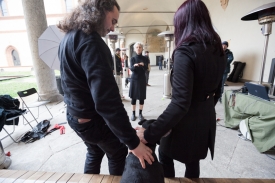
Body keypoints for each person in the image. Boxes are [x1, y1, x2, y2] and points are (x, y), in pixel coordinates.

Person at [57, 0, 154, 175]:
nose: (113, 28)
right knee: (117, 151)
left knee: (95, 150)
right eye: (113, 21)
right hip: (89, 119)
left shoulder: (70, 36)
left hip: (74, 115)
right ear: (100, 12)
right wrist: (133, 143)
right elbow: (107, 102)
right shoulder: (91, 42)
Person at [135, 0, 226, 178]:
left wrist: (150, 134)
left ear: (183, 23)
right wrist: (203, 107)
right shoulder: (217, 51)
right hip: (205, 119)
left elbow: (180, 103)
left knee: (164, 154)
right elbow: (217, 92)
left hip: (184, 122)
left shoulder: (186, 51)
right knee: (193, 162)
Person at [129, 42, 148, 121]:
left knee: (141, 97)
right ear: (134, 49)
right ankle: (133, 114)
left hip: (142, 79)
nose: (138, 48)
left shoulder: (145, 58)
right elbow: (131, 69)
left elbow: (146, 69)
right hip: (134, 79)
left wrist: (143, 65)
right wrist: (134, 66)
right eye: (137, 47)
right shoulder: (132, 58)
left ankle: (140, 114)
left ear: (142, 48)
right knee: (133, 98)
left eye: (140, 47)